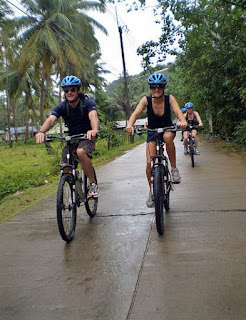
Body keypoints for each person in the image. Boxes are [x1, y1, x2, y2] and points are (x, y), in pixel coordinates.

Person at [126, 73, 187, 208]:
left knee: (167, 137)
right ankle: (152, 192)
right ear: (150, 88)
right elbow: (135, 114)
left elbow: (178, 112)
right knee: (149, 162)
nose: (156, 89)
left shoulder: (169, 98)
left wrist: (183, 121)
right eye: (153, 87)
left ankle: (174, 168)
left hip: (167, 129)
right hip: (152, 132)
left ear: (164, 87)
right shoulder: (146, 100)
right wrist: (130, 125)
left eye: (159, 87)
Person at [35, 75, 99, 197]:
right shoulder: (62, 106)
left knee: (81, 152)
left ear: (78, 90)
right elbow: (50, 120)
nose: (69, 93)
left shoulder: (87, 103)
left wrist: (94, 130)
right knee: (65, 167)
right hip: (71, 138)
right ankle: (76, 182)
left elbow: (93, 117)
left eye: (72, 89)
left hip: (87, 136)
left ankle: (92, 184)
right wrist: (41, 132)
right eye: (66, 90)